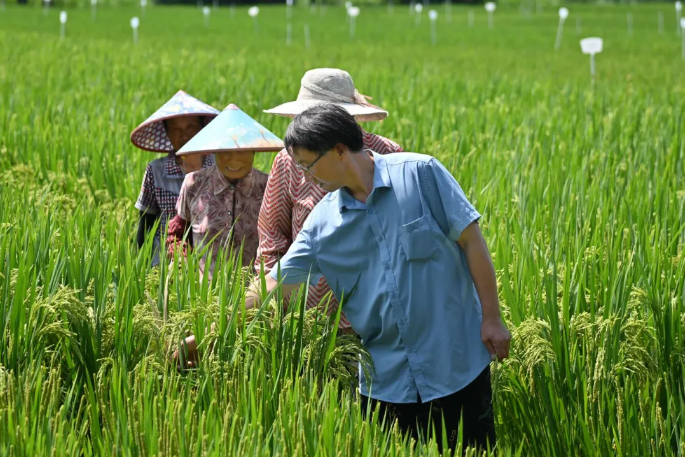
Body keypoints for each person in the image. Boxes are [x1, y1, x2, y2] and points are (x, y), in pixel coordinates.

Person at [249, 104, 511, 452]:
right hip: (386, 381)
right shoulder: (322, 224)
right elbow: (273, 283)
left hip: (457, 362)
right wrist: (207, 330)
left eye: (308, 165)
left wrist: (492, 318)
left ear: (340, 150)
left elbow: (471, 241)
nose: (305, 177)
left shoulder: (421, 174)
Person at [256, 68, 403, 330]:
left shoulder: (387, 154)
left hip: (377, 306)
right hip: (308, 307)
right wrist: (270, 307)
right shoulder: (289, 161)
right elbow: (272, 237)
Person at [166, 104, 284, 280]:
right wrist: (182, 260)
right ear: (214, 152)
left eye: (241, 151)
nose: (233, 159)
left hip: (255, 294)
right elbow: (178, 234)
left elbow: (282, 241)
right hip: (203, 294)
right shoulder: (193, 183)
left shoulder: (269, 186)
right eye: (225, 151)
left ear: (253, 151)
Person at [132, 90, 220, 266]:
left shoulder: (220, 167)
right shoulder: (155, 171)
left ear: (202, 128)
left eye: (191, 128)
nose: (185, 135)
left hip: (212, 262)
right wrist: (140, 264)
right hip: (166, 261)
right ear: (167, 133)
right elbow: (146, 223)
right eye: (177, 130)